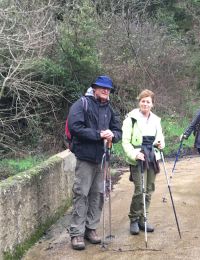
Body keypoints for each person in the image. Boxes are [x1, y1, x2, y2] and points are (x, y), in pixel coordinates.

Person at [68, 75, 122, 250]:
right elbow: (76, 127)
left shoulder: (109, 109)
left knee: (97, 195)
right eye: (102, 88)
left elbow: (118, 130)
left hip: (102, 159)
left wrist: (113, 135)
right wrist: (98, 134)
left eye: (108, 89)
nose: (105, 91)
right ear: (94, 88)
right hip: (85, 158)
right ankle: (76, 233)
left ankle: (91, 229)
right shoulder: (81, 104)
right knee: (81, 194)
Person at [122, 89, 165, 235]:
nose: (145, 104)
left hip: (152, 156)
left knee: (149, 189)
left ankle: (143, 218)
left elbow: (160, 137)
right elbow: (125, 142)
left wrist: (160, 144)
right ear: (139, 102)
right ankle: (133, 219)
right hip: (138, 157)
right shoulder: (130, 119)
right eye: (143, 101)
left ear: (152, 104)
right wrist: (134, 154)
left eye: (148, 101)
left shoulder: (156, 120)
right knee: (140, 190)